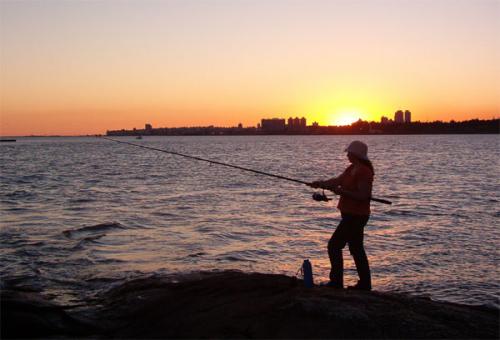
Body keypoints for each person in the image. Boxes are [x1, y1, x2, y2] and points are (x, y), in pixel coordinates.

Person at [309, 140, 374, 290]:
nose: (347, 155)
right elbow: (337, 181)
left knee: (334, 246)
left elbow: (363, 195)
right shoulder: (351, 168)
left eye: (349, 153)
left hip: (356, 216)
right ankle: (365, 284)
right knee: (356, 249)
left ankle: (337, 282)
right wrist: (320, 183)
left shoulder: (364, 171)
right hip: (350, 215)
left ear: (355, 154)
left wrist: (342, 192)